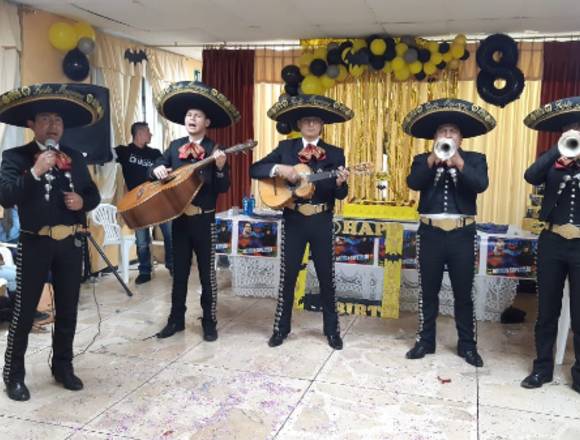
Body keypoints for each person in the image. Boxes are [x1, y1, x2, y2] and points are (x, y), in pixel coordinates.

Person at [0, 83, 102, 401]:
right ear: (31, 124)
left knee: (69, 310)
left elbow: (93, 193)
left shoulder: (73, 156)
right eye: (45, 118)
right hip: (34, 244)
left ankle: (63, 367)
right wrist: (34, 171)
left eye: (57, 119)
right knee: (25, 311)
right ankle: (13, 375)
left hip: (70, 245)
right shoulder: (15, 156)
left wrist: (82, 203)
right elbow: (5, 195)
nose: (52, 125)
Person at [250, 94, 352, 350]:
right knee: (288, 277)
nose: (310, 125)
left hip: (322, 219)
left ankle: (332, 331)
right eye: (306, 121)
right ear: (299, 125)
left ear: (321, 125)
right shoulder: (286, 149)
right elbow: (255, 169)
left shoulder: (335, 153)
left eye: (315, 121)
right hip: (294, 219)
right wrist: (279, 170)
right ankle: (280, 329)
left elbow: (340, 195)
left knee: (327, 277)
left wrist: (341, 183)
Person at [403, 98, 496, 367]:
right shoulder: (422, 160)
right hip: (430, 234)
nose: (447, 135)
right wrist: (434, 158)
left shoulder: (476, 159)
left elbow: (480, 185)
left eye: (452, 131)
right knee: (427, 292)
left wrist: (458, 163)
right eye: (442, 131)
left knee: (463, 294)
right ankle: (425, 341)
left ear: (461, 138)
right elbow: (414, 182)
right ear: (434, 137)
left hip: (462, 235)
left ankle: (467, 345)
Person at [151, 81, 239, 342]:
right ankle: (175, 320)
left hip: (204, 220)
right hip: (178, 220)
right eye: (189, 115)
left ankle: (209, 321)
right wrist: (155, 169)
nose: (192, 118)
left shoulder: (215, 150)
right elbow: (158, 165)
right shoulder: (174, 145)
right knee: (178, 274)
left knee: (206, 275)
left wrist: (221, 167)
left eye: (197, 115)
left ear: (207, 122)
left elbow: (223, 187)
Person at [521, 96, 580, 393]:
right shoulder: (554, 158)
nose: (575, 135)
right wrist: (559, 149)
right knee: (547, 311)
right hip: (552, 241)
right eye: (570, 131)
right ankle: (542, 369)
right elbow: (531, 175)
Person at [115, 122, 173, 284]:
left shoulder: (155, 153)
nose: (151, 134)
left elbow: (167, 170)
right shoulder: (124, 151)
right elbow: (104, 154)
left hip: (159, 201)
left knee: (170, 235)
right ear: (139, 133)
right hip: (138, 204)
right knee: (141, 241)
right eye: (148, 131)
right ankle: (145, 271)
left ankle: (173, 266)